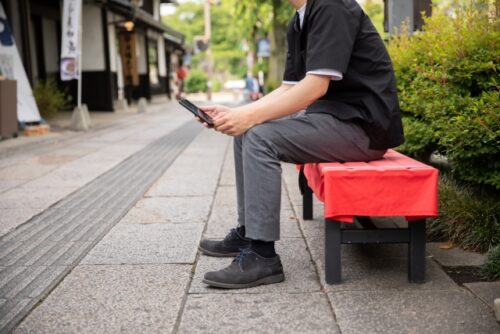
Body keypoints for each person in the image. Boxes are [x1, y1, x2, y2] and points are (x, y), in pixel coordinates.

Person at [197, 0, 404, 289]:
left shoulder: (331, 6)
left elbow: (316, 87)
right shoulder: (299, 19)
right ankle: (249, 232)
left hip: (364, 127)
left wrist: (248, 117)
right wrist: (238, 115)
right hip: (336, 118)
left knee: (259, 136)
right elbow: (289, 88)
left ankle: (262, 255)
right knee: (247, 130)